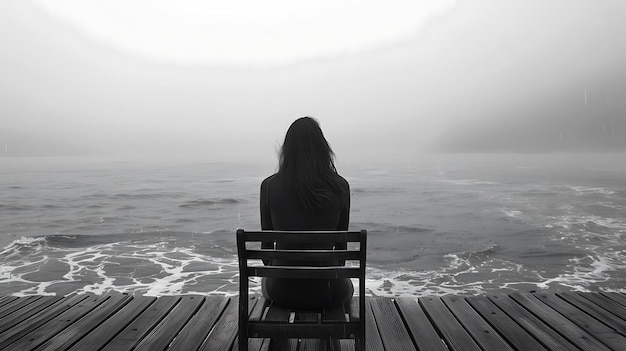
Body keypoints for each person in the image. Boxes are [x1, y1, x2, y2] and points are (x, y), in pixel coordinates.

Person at [260, 116, 352, 309]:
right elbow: (341, 253)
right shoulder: (341, 187)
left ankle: (278, 339)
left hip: (282, 291)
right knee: (346, 287)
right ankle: (329, 338)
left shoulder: (268, 187)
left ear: (288, 150)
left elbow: (266, 253)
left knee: (270, 282)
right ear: (322, 148)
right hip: (330, 291)